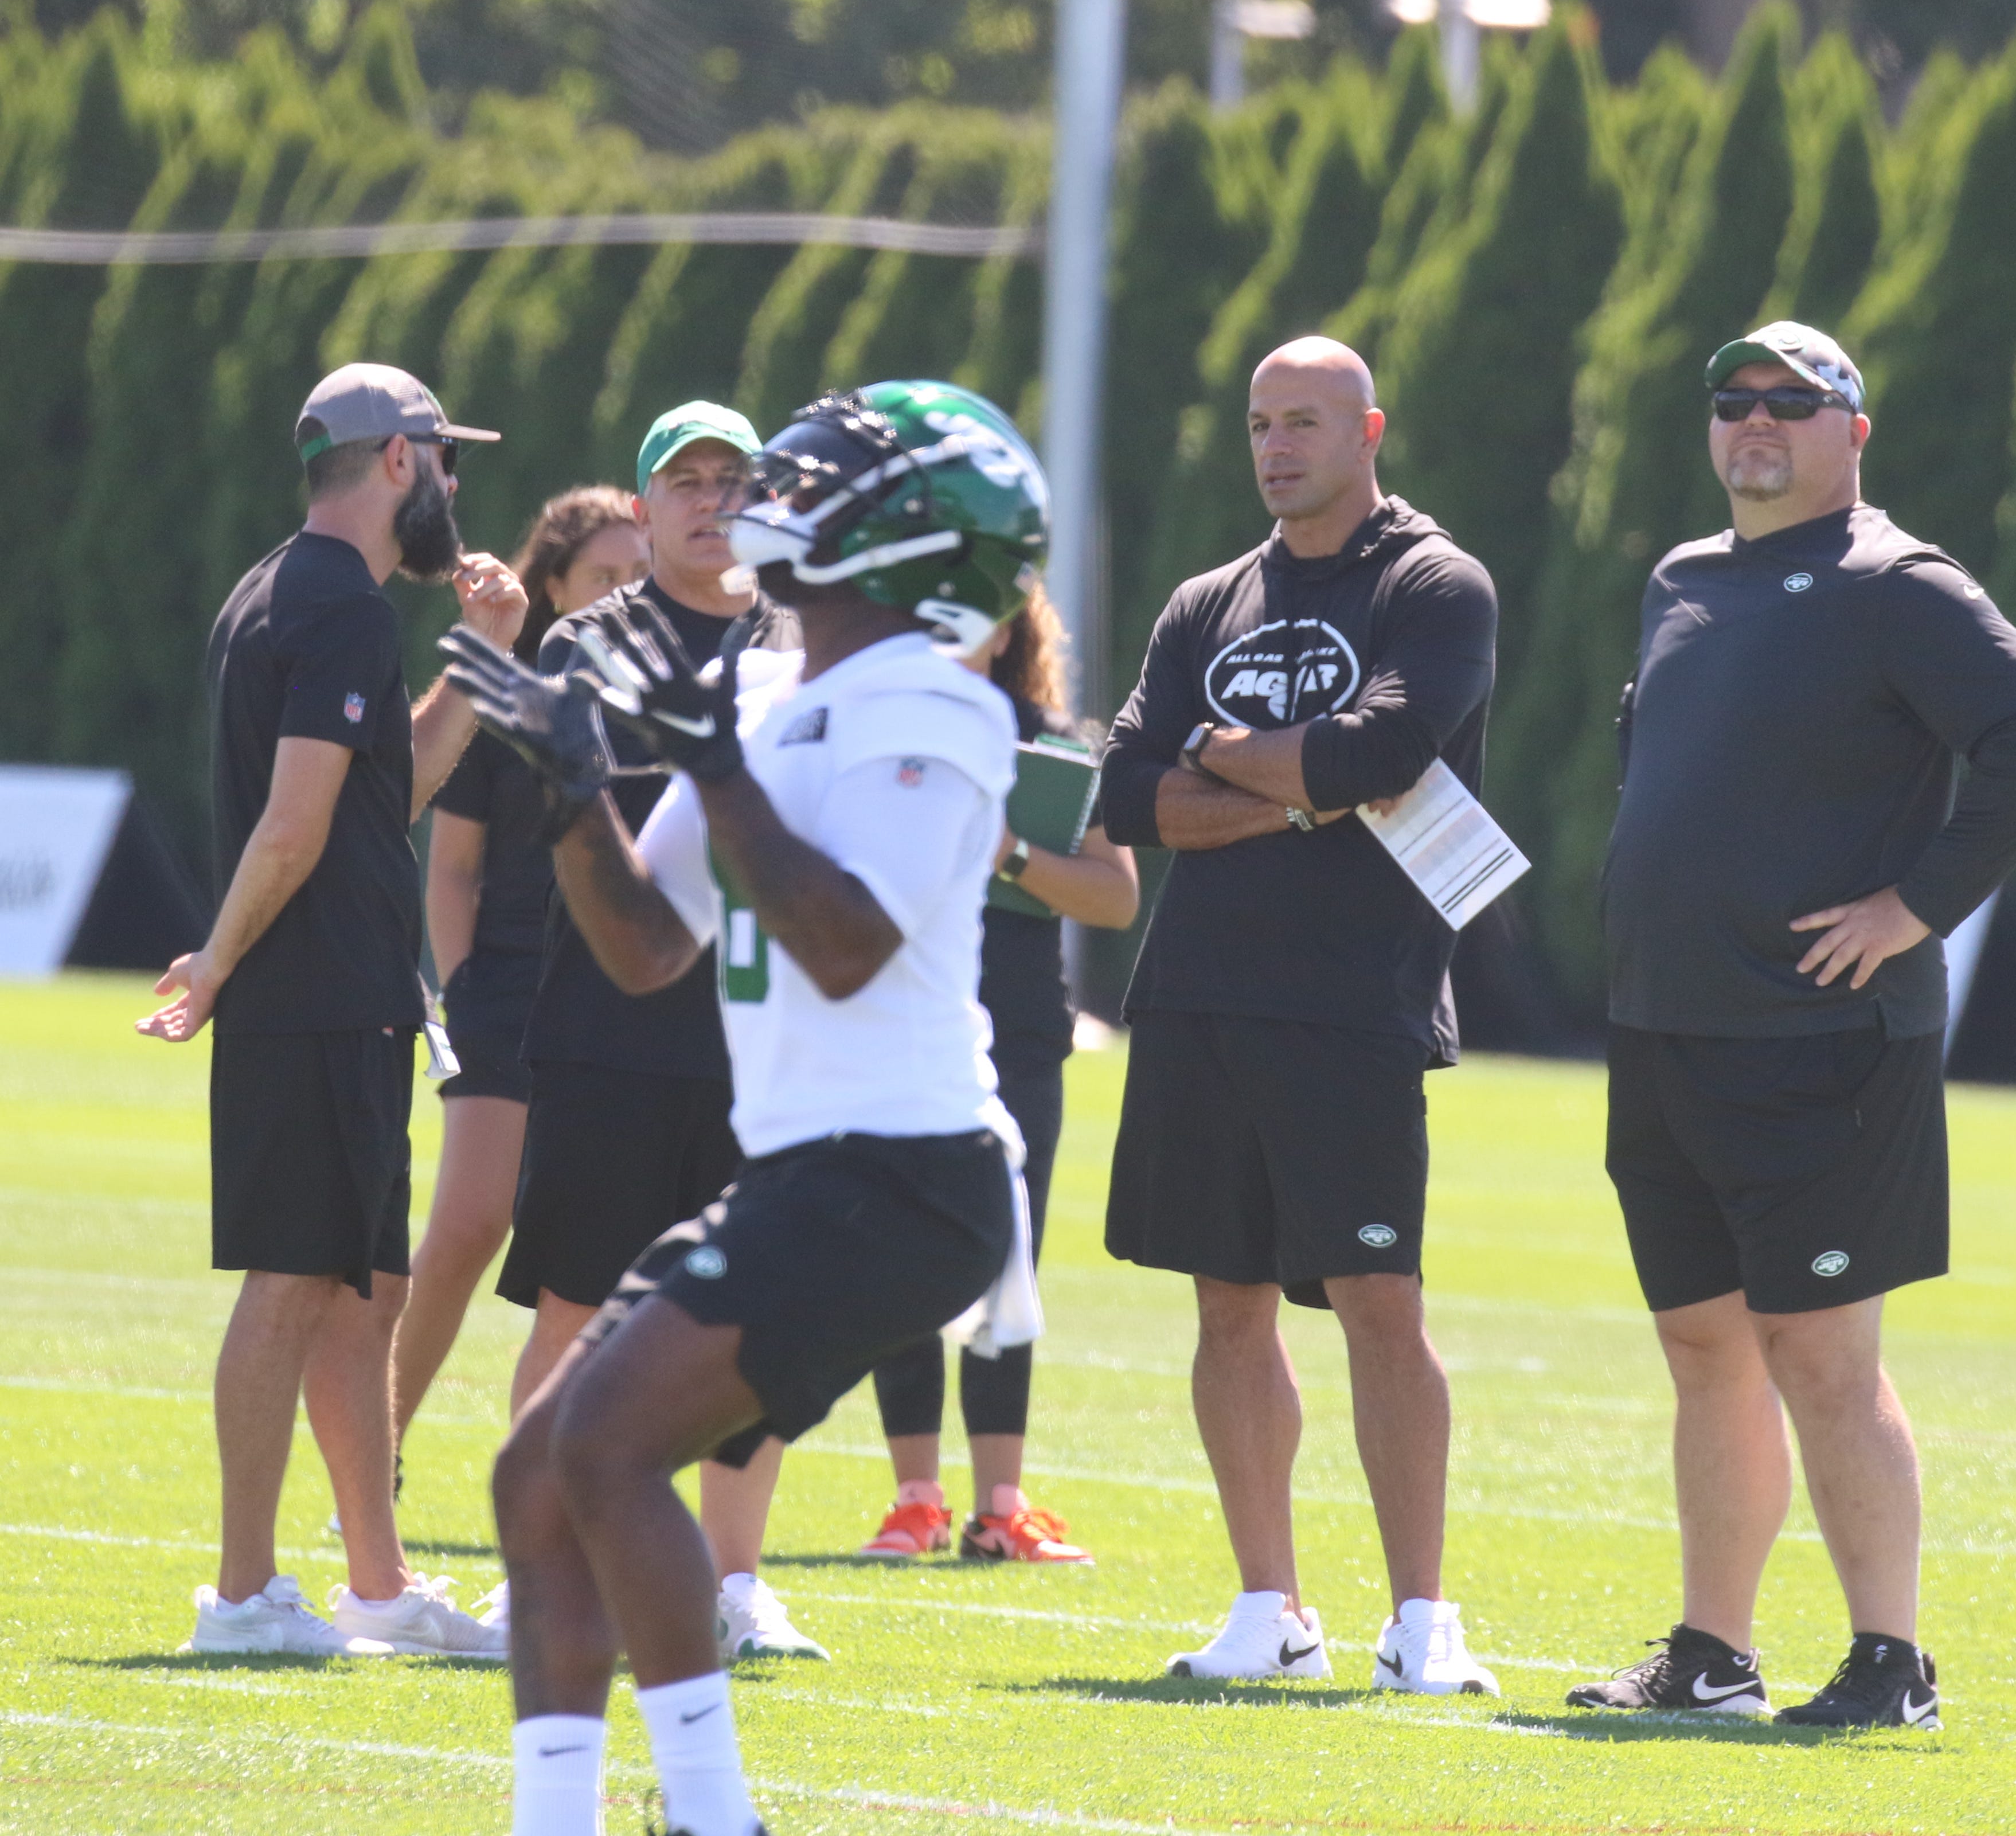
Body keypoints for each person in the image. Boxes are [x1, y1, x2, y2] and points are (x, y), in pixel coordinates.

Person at [440, 381, 1048, 1836]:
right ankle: (558, 1816)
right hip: (807, 1171)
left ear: (896, 539)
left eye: (822, 474)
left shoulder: (939, 703)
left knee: (598, 1453)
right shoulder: (774, 693)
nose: (771, 486)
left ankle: (712, 1814)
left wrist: (706, 759)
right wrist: (571, 786)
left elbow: (844, 943)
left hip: (907, 1174)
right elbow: (647, 948)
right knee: (538, 1472)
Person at [1567, 322, 2016, 1730]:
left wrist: (1912, 907)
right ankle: (1710, 1655)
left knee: (1820, 1355)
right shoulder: (1682, 576)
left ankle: (1888, 1666)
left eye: (1791, 405)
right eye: (1733, 402)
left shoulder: (1895, 581)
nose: (1755, 423)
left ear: (1850, 432)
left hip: (1818, 1041)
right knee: (1702, 1348)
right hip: (1666, 1025)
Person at [1100, 334, 1501, 1692]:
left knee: (1379, 1302)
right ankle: (1266, 1607)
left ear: (1367, 430)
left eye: (1306, 423)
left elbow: (1385, 751)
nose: (1277, 446)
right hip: (1202, 992)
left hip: (1355, 1001)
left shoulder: (1432, 584)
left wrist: (1222, 765)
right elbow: (1122, 796)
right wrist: (1296, 787)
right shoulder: (1206, 596)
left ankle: (1419, 1621)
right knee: (1226, 1306)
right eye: (1262, 423)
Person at [138, 364, 525, 1659]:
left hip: (348, 1006)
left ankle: (376, 1584)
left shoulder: (276, 590)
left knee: (367, 1297)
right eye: (445, 460)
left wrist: (482, 662)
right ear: (401, 462)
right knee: (297, 1284)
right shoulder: (342, 609)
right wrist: (219, 962)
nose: (456, 488)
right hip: (313, 1002)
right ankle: (245, 1596)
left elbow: (376, 796)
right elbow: (295, 828)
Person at [493, 403, 814, 1662]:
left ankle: (737, 1582)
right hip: (610, 1026)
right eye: (683, 481)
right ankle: (541, 1569)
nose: (709, 501)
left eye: (732, 480)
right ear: (638, 507)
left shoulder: (801, 642)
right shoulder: (586, 644)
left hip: (757, 1034)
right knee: (579, 1306)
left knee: (756, 1321)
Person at [862, 580, 1138, 1565]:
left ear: (1015, 627)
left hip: (1018, 1032)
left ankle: (1001, 1503)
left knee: (1007, 1245)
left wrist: (1010, 853)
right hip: (898, 1016)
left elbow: (1113, 897)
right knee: (898, 1247)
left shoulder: (1055, 746)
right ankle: (915, 1498)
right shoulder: (875, 727)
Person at [391, 487, 650, 1462]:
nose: (625, 591)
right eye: (603, 575)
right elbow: (451, 869)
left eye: (636, 571)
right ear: (552, 584)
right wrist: (464, 997)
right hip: (503, 991)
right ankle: (377, 1455)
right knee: (468, 1225)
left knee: (597, 1265)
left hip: (613, 1000)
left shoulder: (670, 696)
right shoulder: (508, 696)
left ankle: (572, 1488)